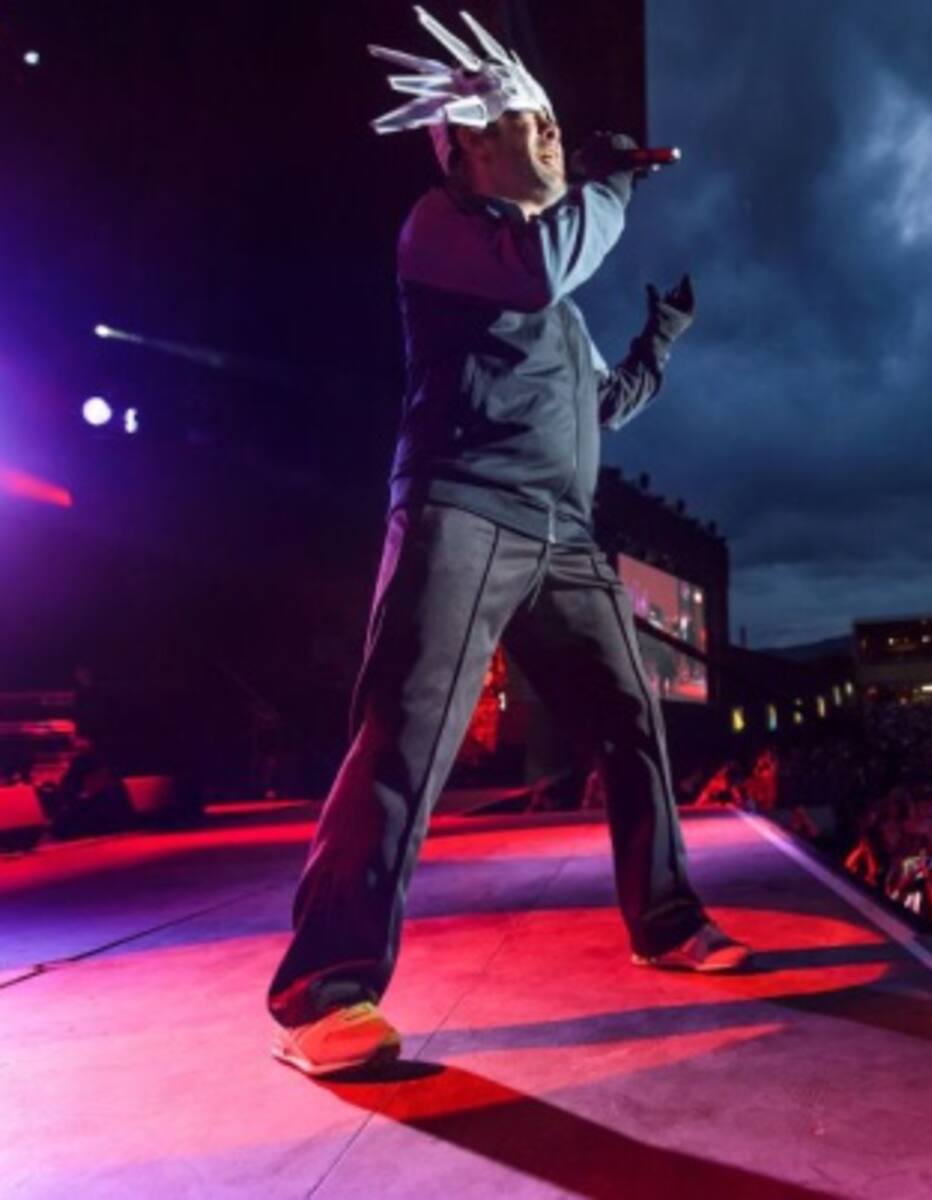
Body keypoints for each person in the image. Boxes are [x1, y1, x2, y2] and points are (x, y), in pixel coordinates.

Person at [267, 7, 750, 1078]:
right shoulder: (442, 229)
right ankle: (321, 993)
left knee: (631, 725)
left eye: (555, 128)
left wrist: (660, 340)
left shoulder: (552, 293)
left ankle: (668, 922)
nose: (555, 141)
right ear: (471, 145)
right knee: (406, 737)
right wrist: (611, 183)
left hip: (562, 535)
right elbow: (540, 266)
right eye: (536, 126)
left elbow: (603, 405)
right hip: (465, 509)